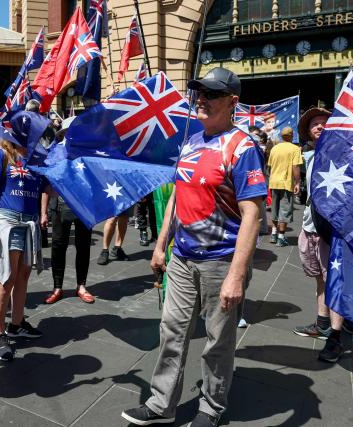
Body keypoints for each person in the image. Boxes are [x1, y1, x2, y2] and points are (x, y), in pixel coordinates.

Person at [122, 67, 266, 427]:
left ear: (232, 101)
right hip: (183, 259)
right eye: (199, 92)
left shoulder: (243, 147)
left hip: (222, 261)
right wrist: (160, 246)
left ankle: (211, 408)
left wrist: (236, 275)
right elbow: (176, 198)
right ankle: (161, 404)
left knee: (218, 340)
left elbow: (253, 215)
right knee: (171, 330)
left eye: (211, 94)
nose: (201, 99)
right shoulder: (191, 140)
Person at [0, 111, 50, 362]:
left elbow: (47, 188)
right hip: (8, 219)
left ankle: (17, 322)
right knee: (6, 276)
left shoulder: (35, 158)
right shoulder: (1, 155)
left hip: (30, 220)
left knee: (23, 273)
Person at [293, 106, 351, 362]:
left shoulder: (343, 156)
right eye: (314, 124)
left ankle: (336, 337)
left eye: (324, 123)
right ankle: (322, 323)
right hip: (309, 226)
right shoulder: (310, 156)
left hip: (332, 231)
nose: (318, 126)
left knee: (335, 282)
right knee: (319, 279)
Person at [40, 117, 95, 305]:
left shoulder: (87, 154)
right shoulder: (54, 153)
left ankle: (81, 285)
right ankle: (57, 287)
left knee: (83, 246)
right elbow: (46, 185)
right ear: (63, 134)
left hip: (83, 207)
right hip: (59, 206)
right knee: (58, 247)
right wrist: (43, 212)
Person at [267, 126, 302, 246]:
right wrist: (298, 182)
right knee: (285, 210)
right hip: (286, 183)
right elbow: (295, 167)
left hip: (273, 182)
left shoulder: (274, 148)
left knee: (274, 209)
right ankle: (281, 237)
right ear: (291, 136)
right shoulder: (295, 149)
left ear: (282, 136)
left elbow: (270, 166)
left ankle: (274, 233)